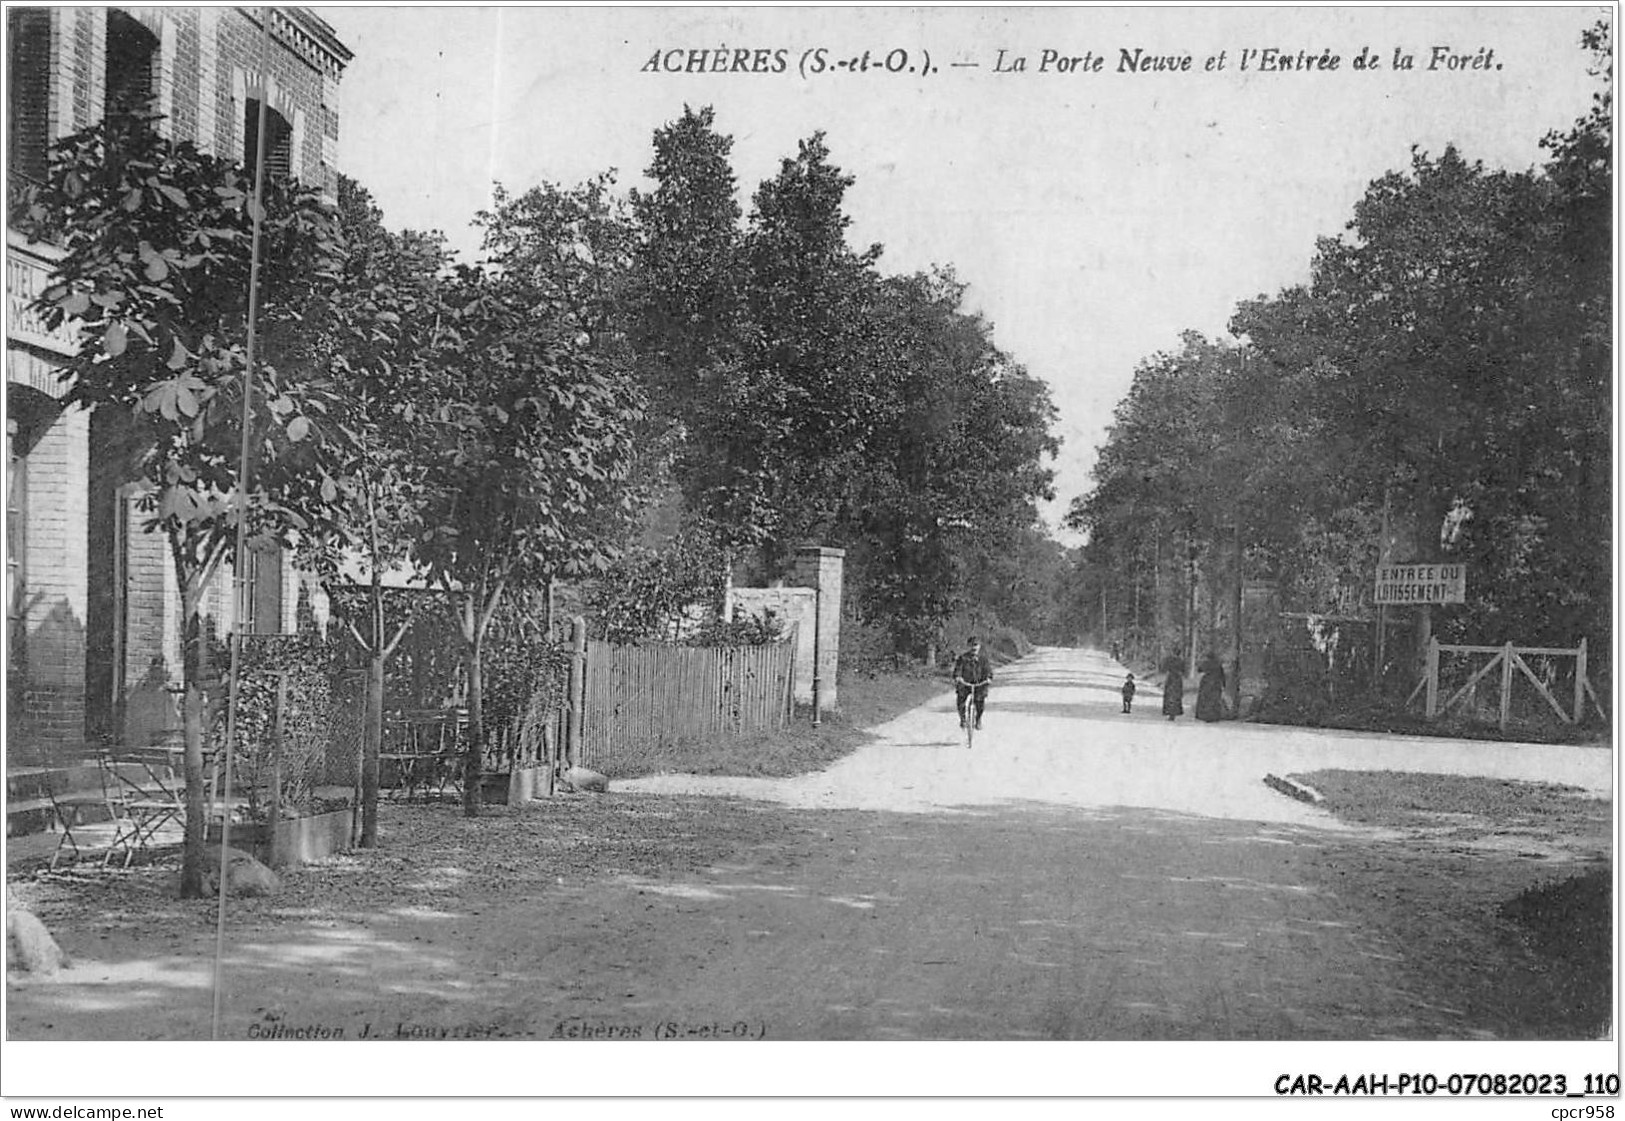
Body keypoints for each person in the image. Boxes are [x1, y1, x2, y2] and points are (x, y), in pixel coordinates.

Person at [953, 636, 994, 731]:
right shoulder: (963, 658)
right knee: (960, 700)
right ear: (968, 646)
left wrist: (988, 678)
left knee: (980, 702)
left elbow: (988, 671)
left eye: (976, 645)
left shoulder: (983, 659)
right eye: (972, 645)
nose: (974, 648)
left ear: (979, 647)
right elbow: (958, 670)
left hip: (979, 684)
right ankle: (963, 719)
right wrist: (958, 677)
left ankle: (978, 719)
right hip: (965, 683)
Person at [1195, 652, 1227, 722]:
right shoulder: (1218, 664)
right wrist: (1224, 685)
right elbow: (1222, 675)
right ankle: (1215, 716)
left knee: (1205, 699)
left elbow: (1199, 670)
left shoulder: (1206, 663)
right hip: (1216, 683)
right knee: (1215, 700)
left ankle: (1206, 715)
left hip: (1207, 683)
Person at [1160, 649, 1187, 720]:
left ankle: (1169, 712)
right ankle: (1175, 712)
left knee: (1169, 695)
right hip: (1178, 678)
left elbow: (1163, 669)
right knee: (1177, 696)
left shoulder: (1169, 660)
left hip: (1171, 678)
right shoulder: (1181, 661)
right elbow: (1184, 671)